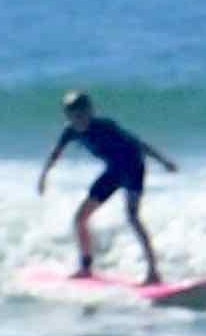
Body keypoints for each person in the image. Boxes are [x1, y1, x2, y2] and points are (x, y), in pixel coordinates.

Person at [35, 90, 178, 284]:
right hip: (113, 172)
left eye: (82, 113)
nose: (79, 119)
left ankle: (153, 272)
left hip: (133, 168)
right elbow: (55, 154)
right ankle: (85, 268)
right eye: (73, 115)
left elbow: (139, 144)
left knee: (133, 217)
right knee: (80, 218)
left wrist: (163, 161)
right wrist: (43, 176)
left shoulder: (105, 126)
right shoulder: (70, 131)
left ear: (90, 111)